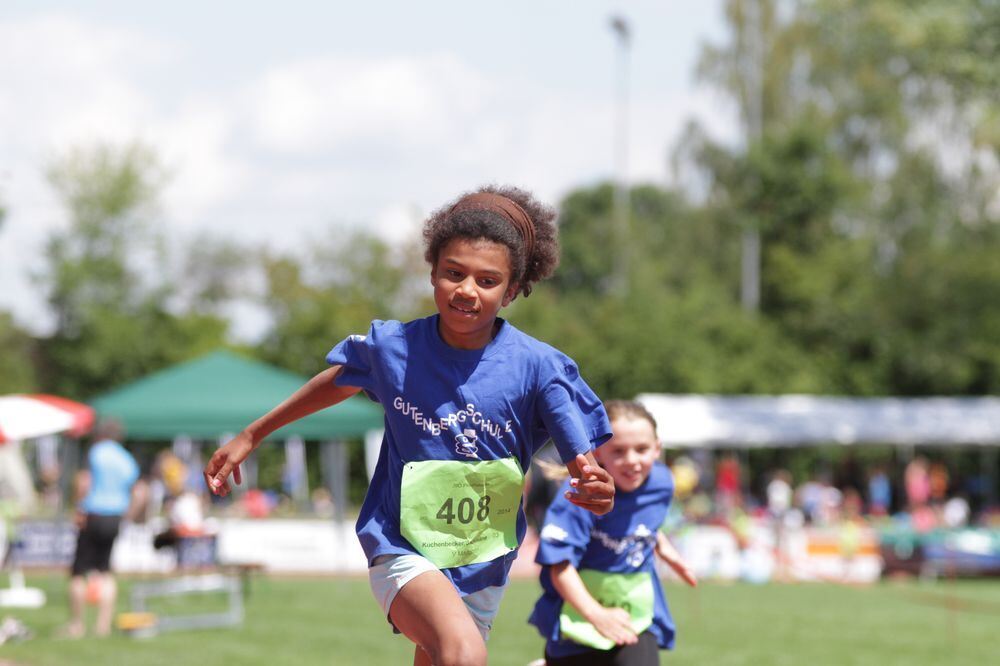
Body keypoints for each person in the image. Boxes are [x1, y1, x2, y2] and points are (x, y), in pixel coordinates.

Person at [204, 185, 616, 666]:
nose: (466, 290)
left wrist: (596, 485)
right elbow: (338, 381)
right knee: (463, 654)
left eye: (487, 280)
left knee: (443, 657)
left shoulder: (539, 367)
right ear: (433, 272)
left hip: (484, 560)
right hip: (401, 545)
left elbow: (581, 460)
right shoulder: (393, 348)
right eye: (453, 273)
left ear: (512, 290)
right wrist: (254, 433)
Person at [528, 400, 696, 666]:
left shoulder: (662, 483)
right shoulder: (580, 495)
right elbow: (558, 565)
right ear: (599, 452)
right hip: (579, 613)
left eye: (641, 449)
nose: (632, 461)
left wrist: (663, 548)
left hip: (636, 616)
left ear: (657, 449)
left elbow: (642, 524)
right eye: (619, 451)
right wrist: (597, 614)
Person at [65, 419, 139, 638]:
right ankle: (102, 627)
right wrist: (127, 515)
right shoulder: (126, 458)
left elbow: (84, 482)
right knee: (105, 571)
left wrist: (78, 508)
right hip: (115, 515)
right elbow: (139, 491)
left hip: (93, 513)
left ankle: (77, 625)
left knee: (79, 572)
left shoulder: (96, 452)